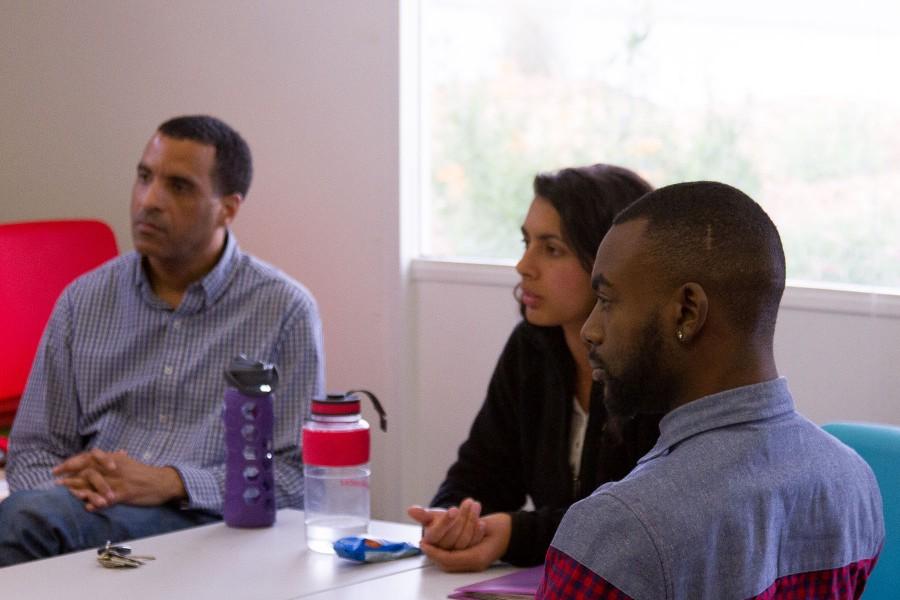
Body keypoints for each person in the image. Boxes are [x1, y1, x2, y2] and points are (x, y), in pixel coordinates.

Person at [0, 115, 325, 567]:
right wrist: (90, 490)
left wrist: (172, 482)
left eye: (179, 187)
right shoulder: (84, 300)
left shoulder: (282, 310)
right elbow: (33, 450)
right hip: (81, 512)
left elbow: (298, 478)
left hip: (207, 524)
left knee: (25, 523)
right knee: (31, 516)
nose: (149, 201)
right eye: (144, 177)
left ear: (227, 208)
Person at [537, 181, 885, 598]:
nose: (590, 330)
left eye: (608, 300)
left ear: (687, 311)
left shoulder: (621, 527)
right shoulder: (853, 481)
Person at [407, 164, 661, 572]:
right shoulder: (531, 348)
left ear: (611, 262)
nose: (524, 265)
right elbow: (480, 475)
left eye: (551, 248)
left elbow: (633, 524)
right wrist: (453, 520)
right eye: (526, 243)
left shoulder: (662, 371)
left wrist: (514, 533)